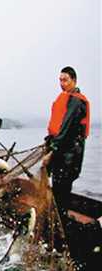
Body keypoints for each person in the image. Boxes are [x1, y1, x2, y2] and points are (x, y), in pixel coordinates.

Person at [43, 66, 90, 219]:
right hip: (62, 152)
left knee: (61, 191)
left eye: (65, 80)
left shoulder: (76, 102)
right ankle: (59, 218)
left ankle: (61, 223)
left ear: (74, 81)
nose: (62, 83)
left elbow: (66, 130)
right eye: (60, 80)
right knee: (59, 189)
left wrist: (51, 152)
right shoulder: (66, 99)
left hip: (69, 155)